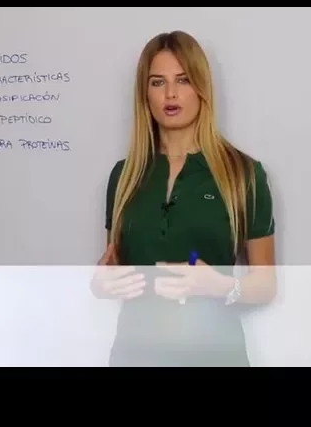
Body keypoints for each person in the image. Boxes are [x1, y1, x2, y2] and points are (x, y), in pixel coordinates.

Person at [90, 30, 277, 367]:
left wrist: (219, 286)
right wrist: (102, 284)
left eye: (183, 80)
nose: (171, 93)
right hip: (136, 355)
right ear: (145, 93)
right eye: (157, 82)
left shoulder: (243, 174)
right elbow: (115, 270)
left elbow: (265, 285)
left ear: (201, 87)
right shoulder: (124, 176)